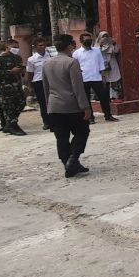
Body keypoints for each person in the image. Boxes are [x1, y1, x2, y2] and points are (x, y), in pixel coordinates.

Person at [41, 34, 93, 178]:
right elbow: (78, 88)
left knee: (61, 137)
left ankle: (68, 164)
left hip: (54, 106)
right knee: (82, 132)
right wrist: (86, 107)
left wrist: (48, 106)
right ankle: (73, 158)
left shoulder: (47, 63)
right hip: (71, 106)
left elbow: (46, 88)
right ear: (69, 46)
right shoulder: (71, 62)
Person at [74, 32, 117, 123]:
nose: (88, 41)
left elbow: (101, 64)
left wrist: (103, 77)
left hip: (97, 78)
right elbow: (76, 67)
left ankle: (108, 115)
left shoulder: (96, 51)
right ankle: (90, 117)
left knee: (104, 98)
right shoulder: (77, 53)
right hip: (84, 79)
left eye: (90, 39)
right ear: (81, 41)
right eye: (86, 40)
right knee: (86, 99)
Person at [0, 41, 27, 136]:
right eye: (14, 47)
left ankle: (10, 124)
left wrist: (22, 70)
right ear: (7, 47)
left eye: (17, 47)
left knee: (21, 103)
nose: (16, 48)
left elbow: (20, 71)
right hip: (5, 87)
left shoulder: (17, 58)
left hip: (17, 86)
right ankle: (13, 125)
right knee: (8, 107)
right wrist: (10, 72)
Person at [25, 37, 53, 131]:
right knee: (42, 103)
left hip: (50, 81)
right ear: (35, 47)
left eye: (44, 45)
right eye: (40, 45)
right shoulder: (32, 59)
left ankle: (54, 120)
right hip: (39, 82)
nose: (43, 47)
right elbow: (30, 73)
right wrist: (29, 86)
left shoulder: (50, 56)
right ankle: (46, 122)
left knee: (52, 101)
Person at [95, 31, 122, 99]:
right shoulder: (97, 46)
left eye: (106, 36)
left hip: (112, 64)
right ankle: (105, 96)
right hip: (103, 65)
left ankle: (114, 96)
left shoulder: (111, 44)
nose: (105, 38)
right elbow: (96, 53)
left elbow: (116, 51)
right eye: (103, 36)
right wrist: (100, 45)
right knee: (105, 81)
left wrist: (114, 43)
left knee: (114, 80)